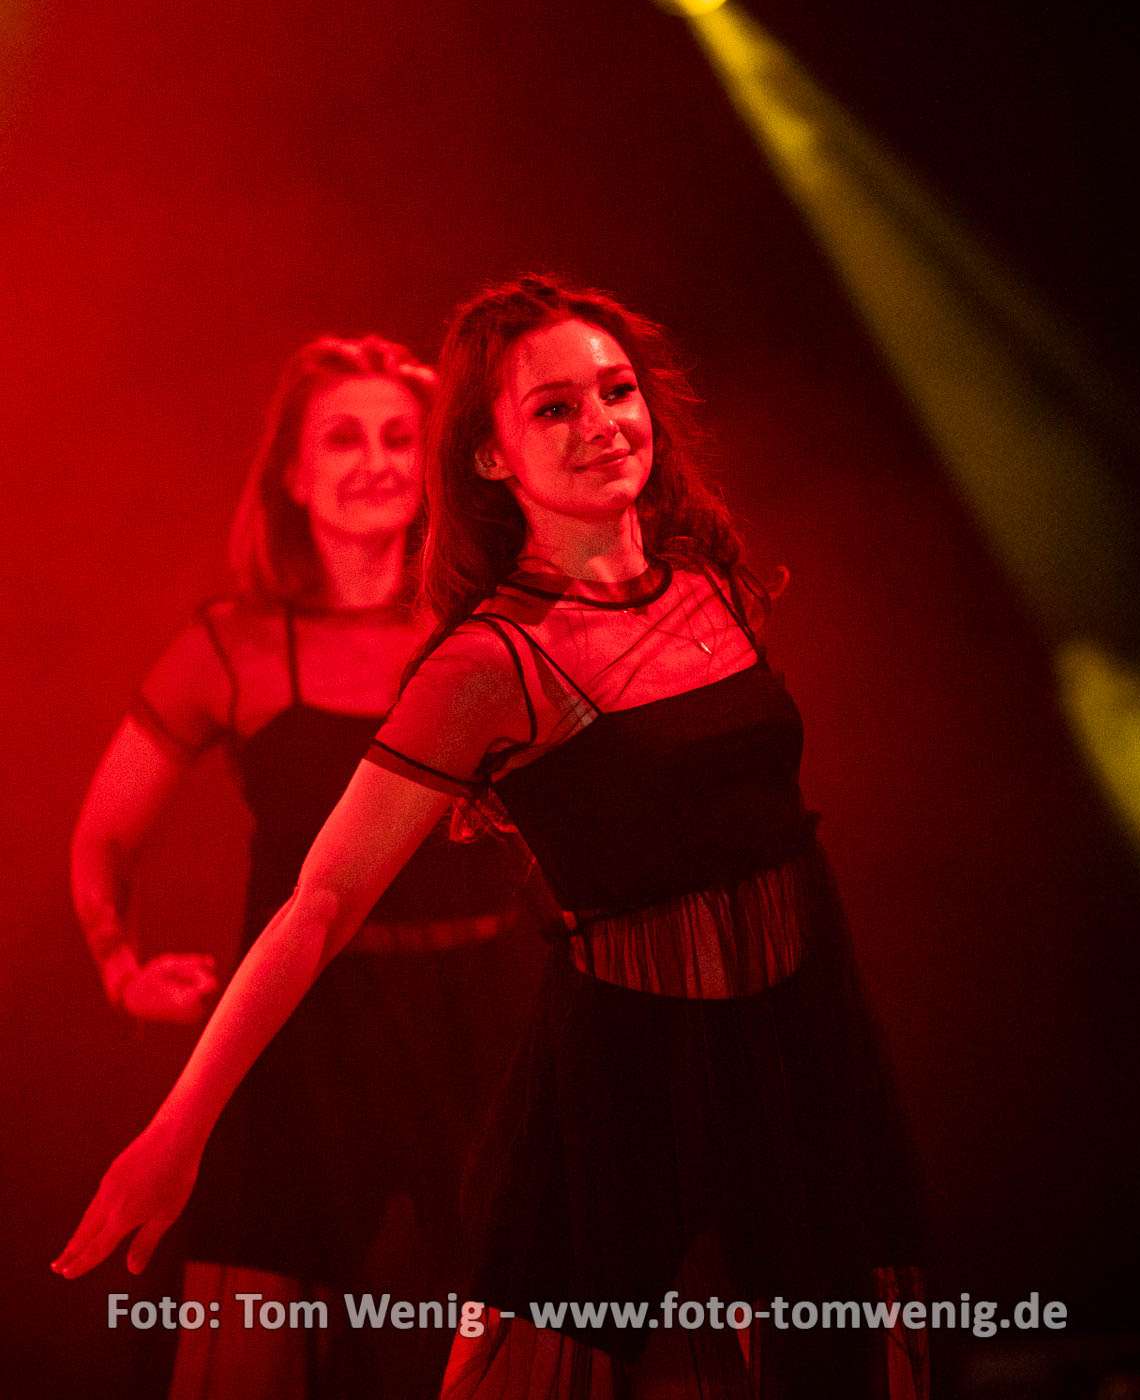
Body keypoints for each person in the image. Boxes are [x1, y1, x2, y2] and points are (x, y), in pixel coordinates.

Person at [56, 278, 928, 1398]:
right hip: (621, 1071)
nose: (601, 423)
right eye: (555, 408)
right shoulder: (485, 663)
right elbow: (319, 901)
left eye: (617, 391)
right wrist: (175, 1128)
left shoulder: (710, 582)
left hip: (803, 1042)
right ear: (487, 455)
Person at [68, 334, 535, 1400]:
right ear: (291, 472)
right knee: (248, 1332)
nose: (375, 461)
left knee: (532, 1325)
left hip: (492, 1013)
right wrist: (120, 966)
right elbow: (105, 835)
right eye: (343, 438)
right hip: (299, 1026)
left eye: (399, 438)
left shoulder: (493, 624)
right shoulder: (233, 646)